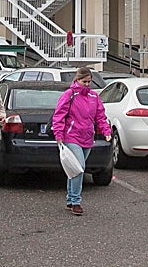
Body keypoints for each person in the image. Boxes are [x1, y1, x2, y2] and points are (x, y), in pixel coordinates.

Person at [51, 67, 111, 216]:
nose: (87, 84)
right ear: (77, 80)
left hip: (87, 137)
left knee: (74, 170)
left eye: (89, 82)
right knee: (79, 168)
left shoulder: (94, 97)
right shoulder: (69, 95)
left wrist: (106, 131)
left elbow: (100, 116)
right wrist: (58, 134)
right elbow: (59, 115)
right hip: (71, 137)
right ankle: (76, 201)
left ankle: (70, 199)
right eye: (84, 81)